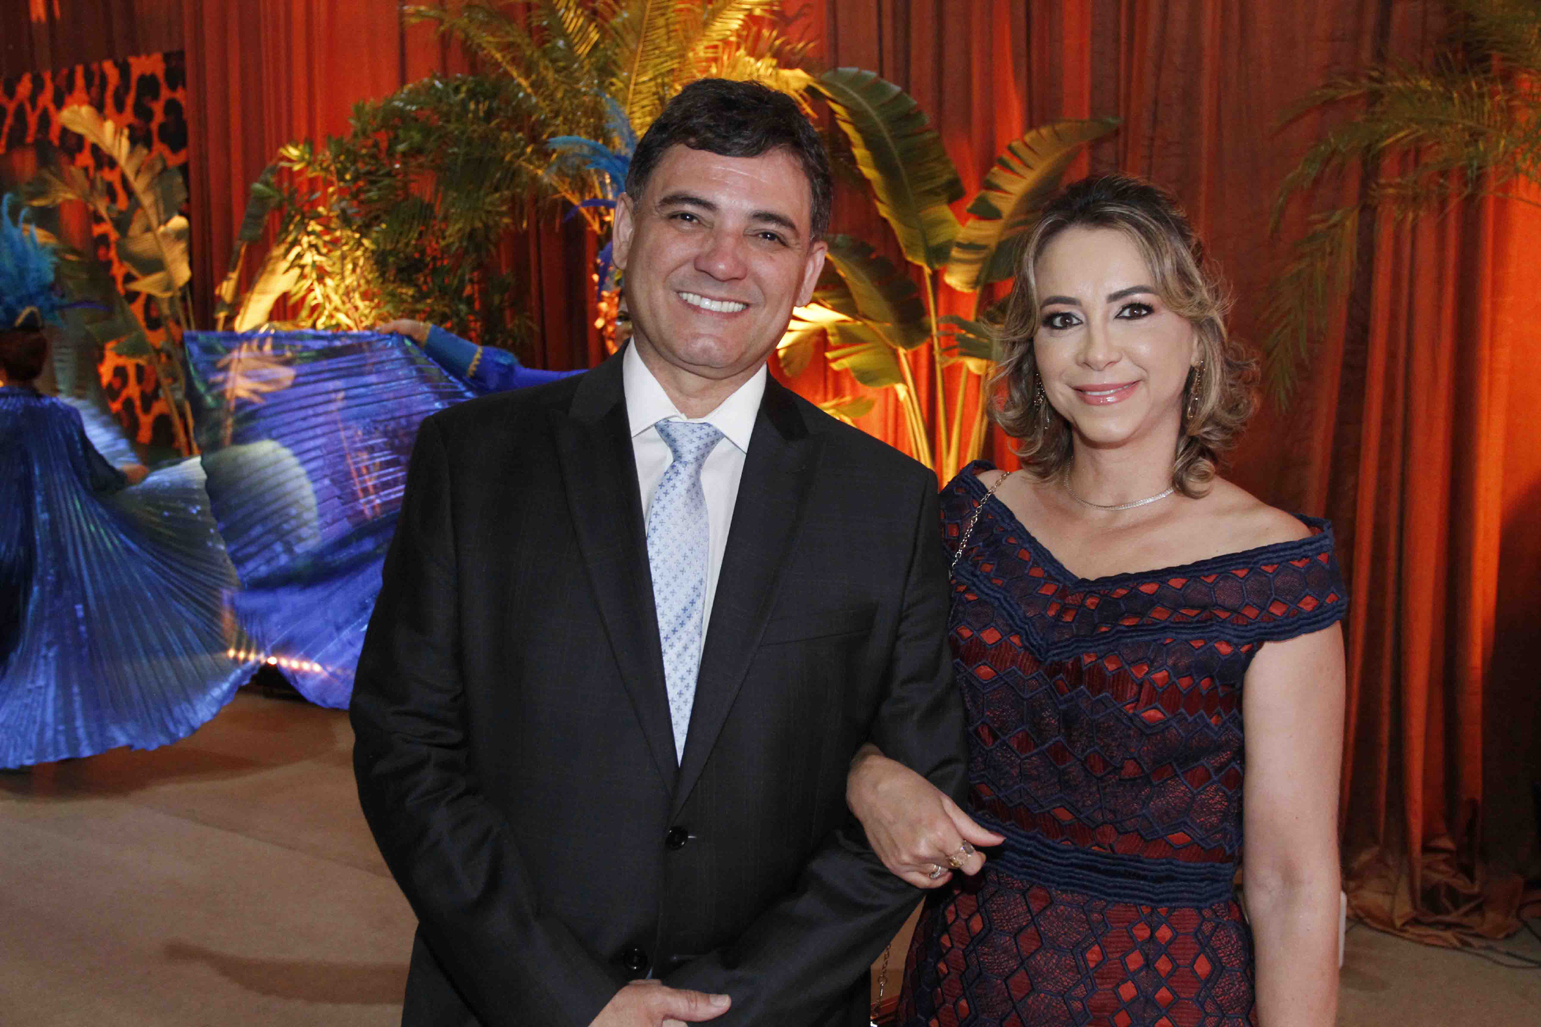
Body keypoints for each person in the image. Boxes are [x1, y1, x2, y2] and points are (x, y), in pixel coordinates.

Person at [349, 78, 969, 1027]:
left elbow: (919, 791)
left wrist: (725, 1008)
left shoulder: (886, 502)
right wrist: (569, 998)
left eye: (767, 233)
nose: (723, 260)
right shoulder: (472, 463)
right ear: (627, 229)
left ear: (808, 272)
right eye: (689, 216)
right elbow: (407, 750)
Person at [845, 175, 1347, 1027]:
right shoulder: (971, 521)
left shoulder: (1270, 571)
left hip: (1168, 998)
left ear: (1197, 337)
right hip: (958, 986)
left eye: (1134, 310)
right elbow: (840, 707)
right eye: (1062, 318)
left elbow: (1293, 883)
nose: (1096, 352)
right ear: (1033, 350)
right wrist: (866, 775)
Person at [1, 197, 251, 767]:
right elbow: (98, 480)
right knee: (35, 654)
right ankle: (34, 742)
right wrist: (133, 474)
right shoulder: (59, 417)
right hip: (44, 564)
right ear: (41, 357)